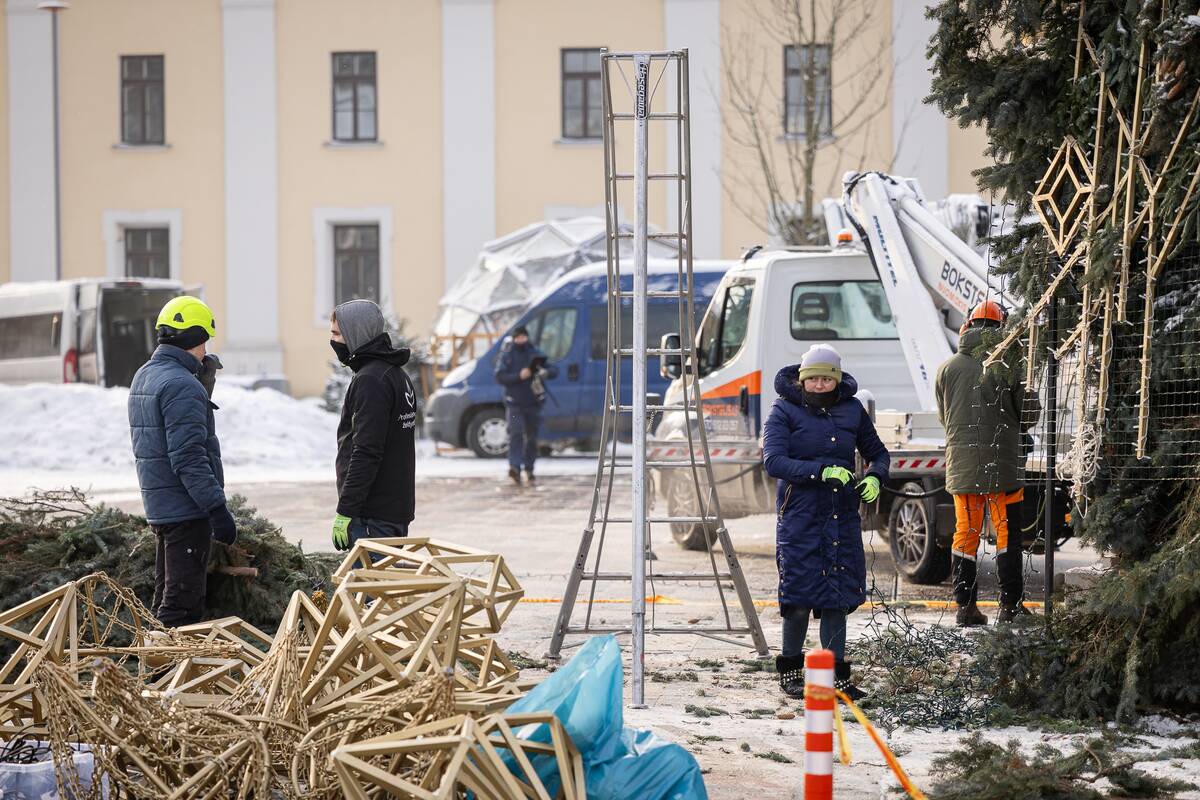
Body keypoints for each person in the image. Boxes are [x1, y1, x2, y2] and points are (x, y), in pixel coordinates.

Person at [762, 344, 889, 700]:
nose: (819, 385)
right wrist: (820, 471)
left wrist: (876, 476)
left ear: (836, 380)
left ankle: (835, 676)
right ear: (802, 379)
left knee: (838, 597)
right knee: (799, 596)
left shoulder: (852, 410)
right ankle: (791, 670)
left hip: (842, 515)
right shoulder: (783, 410)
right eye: (812, 378)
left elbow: (877, 452)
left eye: (825, 379)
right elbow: (773, 461)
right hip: (800, 517)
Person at [128, 296, 236, 628]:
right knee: (181, 608)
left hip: (162, 506)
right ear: (194, 339)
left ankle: (154, 672)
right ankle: (166, 676)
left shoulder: (146, 375)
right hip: (186, 510)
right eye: (204, 341)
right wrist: (217, 509)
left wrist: (199, 387)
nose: (206, 349)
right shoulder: (180, 385)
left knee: (166, 596)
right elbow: (188, 457)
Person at [935, 300, 1038, 626]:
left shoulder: (947, 368)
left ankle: (965, 608)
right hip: (1004, 466)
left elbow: (945, 417)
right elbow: (1030, 415)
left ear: (968, 325)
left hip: (962, 467)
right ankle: (1010, 608)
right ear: (1001, 329)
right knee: (1007, 533)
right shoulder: (1009, 365)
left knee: (965, 533)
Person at [329, 300, 418, 551]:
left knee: (366, 589)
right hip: (391, 510)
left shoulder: (371, 380)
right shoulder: (394, 374)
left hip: (372, 516)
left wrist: (345, 511)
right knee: (382, 589)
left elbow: (367, 451)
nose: (332, 340)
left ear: (354, 333)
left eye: (337, 333)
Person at [493, 325, 557, 484]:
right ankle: (515, 467)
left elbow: (554, 370)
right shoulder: (507, 355)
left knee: (531, 437)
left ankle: (529, 468)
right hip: (514, 403)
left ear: (527, 337)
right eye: (518, 337)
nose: (521, 340)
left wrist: (545, 373)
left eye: (523, 337)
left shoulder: (535, 353)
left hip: (533, 404)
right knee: (516, 433)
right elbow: (500, 376)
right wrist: (519, 376)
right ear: (514, 338)